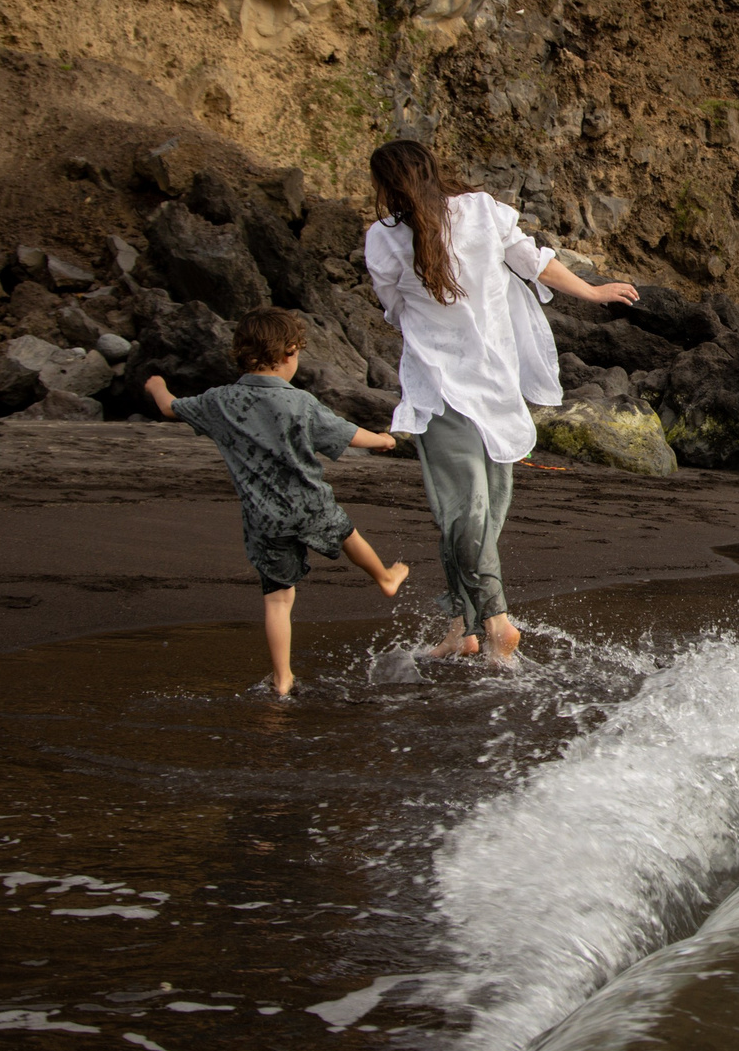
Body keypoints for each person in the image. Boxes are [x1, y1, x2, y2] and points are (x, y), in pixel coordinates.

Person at [364, 139, 641, 667]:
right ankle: (461, 629)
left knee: (459, 512)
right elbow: (535, 263)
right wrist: (594, 291)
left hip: (440, 387)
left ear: (386, 187)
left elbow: (394, 307)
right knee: (480, 513)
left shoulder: (383, 238)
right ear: (432, 170)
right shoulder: (483, 211)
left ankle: (494, 622)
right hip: (496, 383)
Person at [145, 306, 410, 696]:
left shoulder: (220, 401)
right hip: (309, 502)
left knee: (278, 600)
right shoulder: (299, 402)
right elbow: (348, 434)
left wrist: (155, 385)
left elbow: (169, 406)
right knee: (347, 533)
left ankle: (283, 678)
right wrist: (384, 439)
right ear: (289, 353)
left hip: (262, 515)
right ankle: (385, 578)